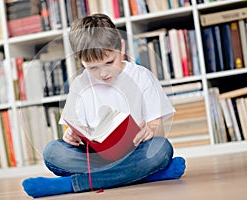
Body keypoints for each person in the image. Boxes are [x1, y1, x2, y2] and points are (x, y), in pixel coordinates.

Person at [22, 13, 186, 198]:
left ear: (121, 48)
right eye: (92, 68)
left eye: (109, 62)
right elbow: (74, 130)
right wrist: (71, 134)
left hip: (134, 153)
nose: (103, 73)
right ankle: (144, 175)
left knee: (162, 149)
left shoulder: (142, 77)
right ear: (81, 62)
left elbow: (158, 129)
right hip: (95, 159)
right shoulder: (79, 85)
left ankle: (73, 184)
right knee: (52, 152)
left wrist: (150, 130)